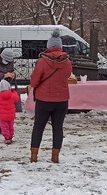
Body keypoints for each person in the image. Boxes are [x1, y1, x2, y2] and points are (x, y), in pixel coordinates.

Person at [29, 30, 71, 164]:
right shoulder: (67, 62)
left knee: (39, 126)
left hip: (43, 100)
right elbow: (67, 76)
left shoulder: (42, 61)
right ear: (60, 46)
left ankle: (34, 156)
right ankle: (55, 156)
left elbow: (34, 81)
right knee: (58, 127)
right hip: (62, 100)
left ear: (49, 46)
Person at [0, 79, 20, 145]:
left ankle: (7, 138)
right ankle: (11, 136)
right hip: (11, 115)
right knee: (11, 126)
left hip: (3, 116)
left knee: (4, 127)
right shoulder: (12, 95)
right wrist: (14, 92)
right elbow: (17, 99)